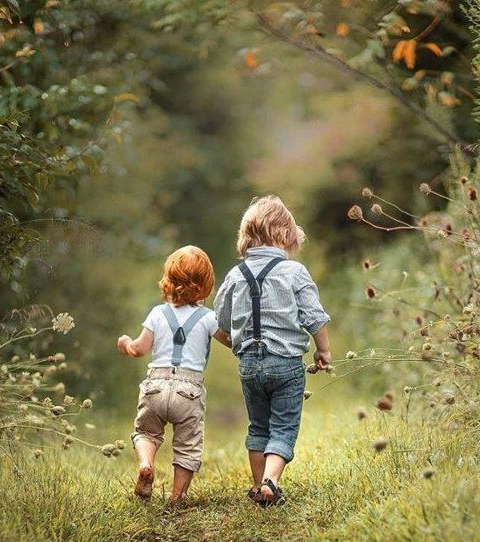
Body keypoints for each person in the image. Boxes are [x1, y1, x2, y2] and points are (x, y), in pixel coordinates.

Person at [214, 196, 331, 507]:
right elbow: (314, 317)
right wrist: (324, 351)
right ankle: (271, 480)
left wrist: (237, 343)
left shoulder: (235, 276)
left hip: (249, 365)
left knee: (259, 426)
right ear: (283, 237)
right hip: (287, 366)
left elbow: (222, 321)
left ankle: (258, 486)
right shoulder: (294, 272)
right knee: (284, 425)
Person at [118, 245, 230, 503]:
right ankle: (177, 498)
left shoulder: (158, 313)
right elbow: (233, 342)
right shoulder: (208, 318)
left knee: (146, 433)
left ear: (167, 281)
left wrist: (126, 344)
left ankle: (146, 464)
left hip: (155, 386)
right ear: (205, 286)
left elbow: (140, 349)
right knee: (188, 447)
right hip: (188, 392)